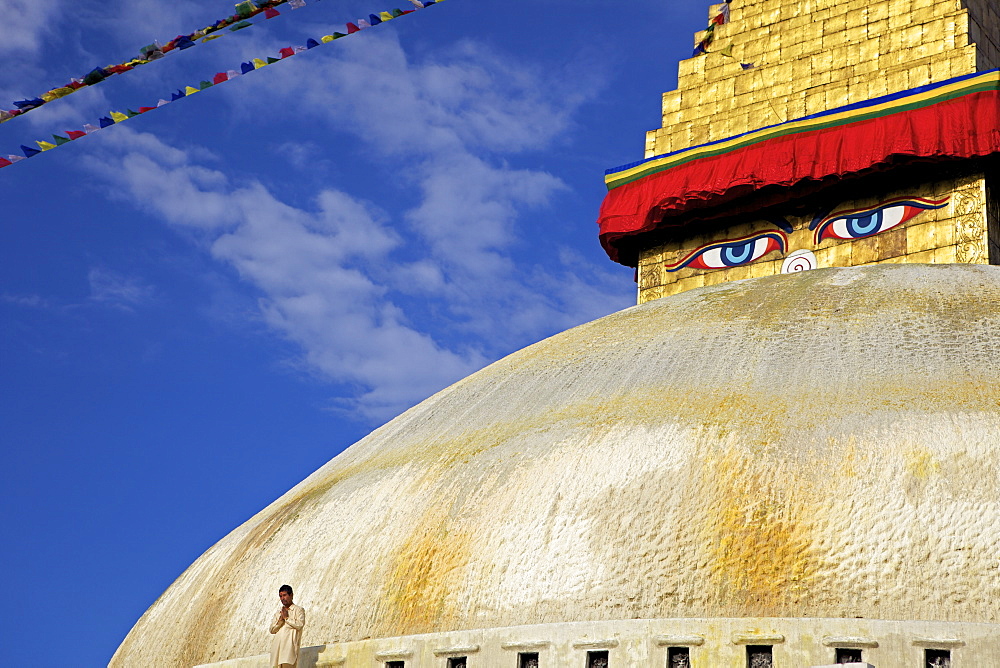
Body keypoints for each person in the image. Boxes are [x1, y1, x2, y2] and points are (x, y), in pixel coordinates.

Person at [269, 584, 305, 668]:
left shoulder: (298, 610)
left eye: (284, 595)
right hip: (277, 649)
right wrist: (281, 620)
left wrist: (287, 618)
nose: (282, 598)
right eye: (280, 596)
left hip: (289, 649)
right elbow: (272, 630)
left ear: (291, 595)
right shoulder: (279, 613)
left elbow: (300, 625)